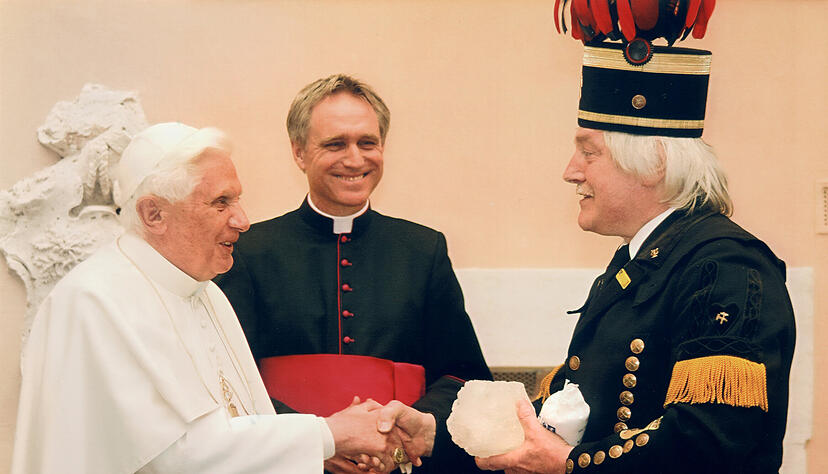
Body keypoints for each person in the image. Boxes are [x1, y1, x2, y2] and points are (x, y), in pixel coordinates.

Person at [12, 122, 432, 474]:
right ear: (153, 214)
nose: (243, 220)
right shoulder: (96, 302)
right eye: (220, 203)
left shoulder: (205, 291)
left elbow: (246, 419)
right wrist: (327, 434)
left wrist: (328, 439)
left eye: (238, 198)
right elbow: (171, 457)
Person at [475, 16, 796, 474]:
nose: (571, 171)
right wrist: (440, 431)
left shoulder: (723, 266)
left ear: (652, 165)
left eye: (589, 152)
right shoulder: (643, 260)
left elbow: (708, 441)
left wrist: (572, 464)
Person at [216, 74, 493, 473]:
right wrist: (317, 441)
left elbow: (463, 377)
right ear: (299, 152)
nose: (355, 159)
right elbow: (230, 381)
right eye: (335, 144)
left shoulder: (422, 249)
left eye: (368, 142)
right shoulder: (249, 251)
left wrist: (404, 432)